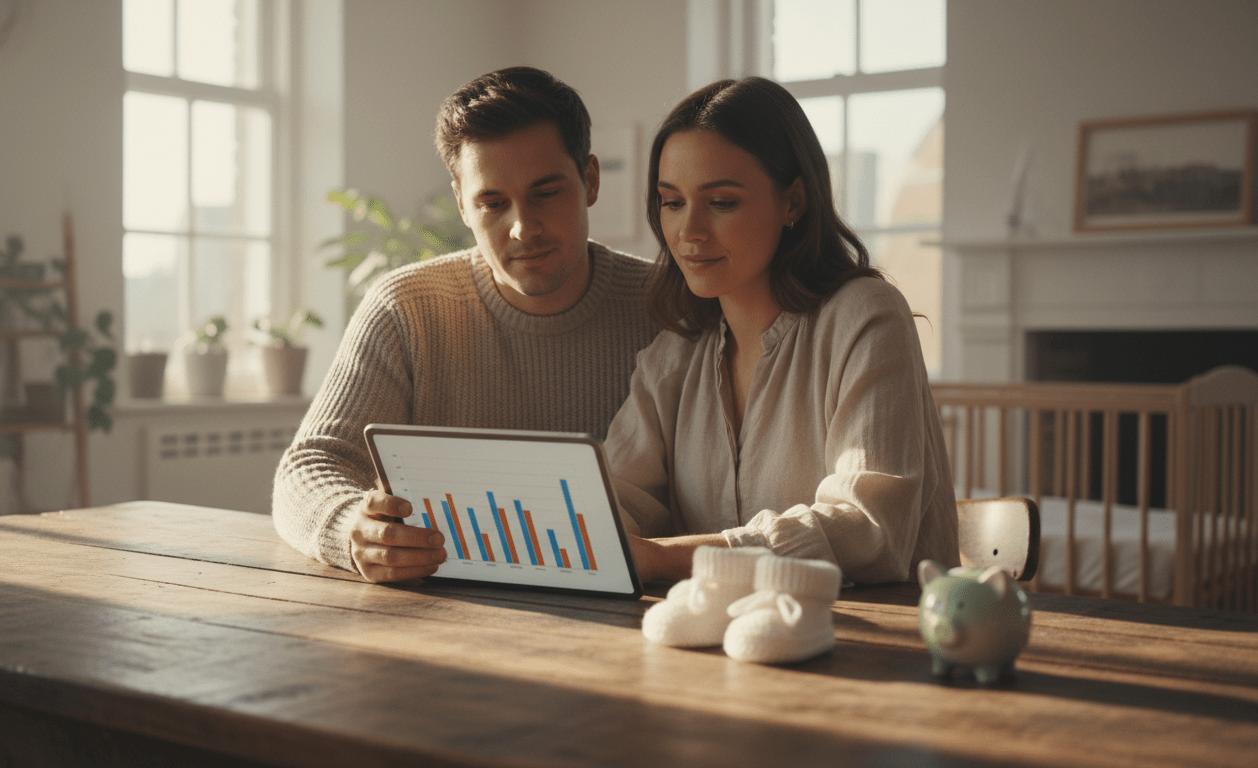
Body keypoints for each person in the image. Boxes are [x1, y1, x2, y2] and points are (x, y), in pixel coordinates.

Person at [273, 67, 658, 582]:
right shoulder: (405, 307)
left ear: (589, 179)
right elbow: (311, 463)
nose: (523, 228)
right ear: (461, 201)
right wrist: (350, 528)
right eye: (492, 203)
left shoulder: (665, 306)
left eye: (546, 192)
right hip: (439, 611)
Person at [604, 77, 959, 586]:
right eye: (672, 202)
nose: (689, 231)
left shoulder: (866, 317)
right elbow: (619, 500)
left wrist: (668, 559)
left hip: (888, 645)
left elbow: (866, 527)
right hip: (719, 644)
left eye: (721, 202)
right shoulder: (674, 354)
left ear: (793, 201)